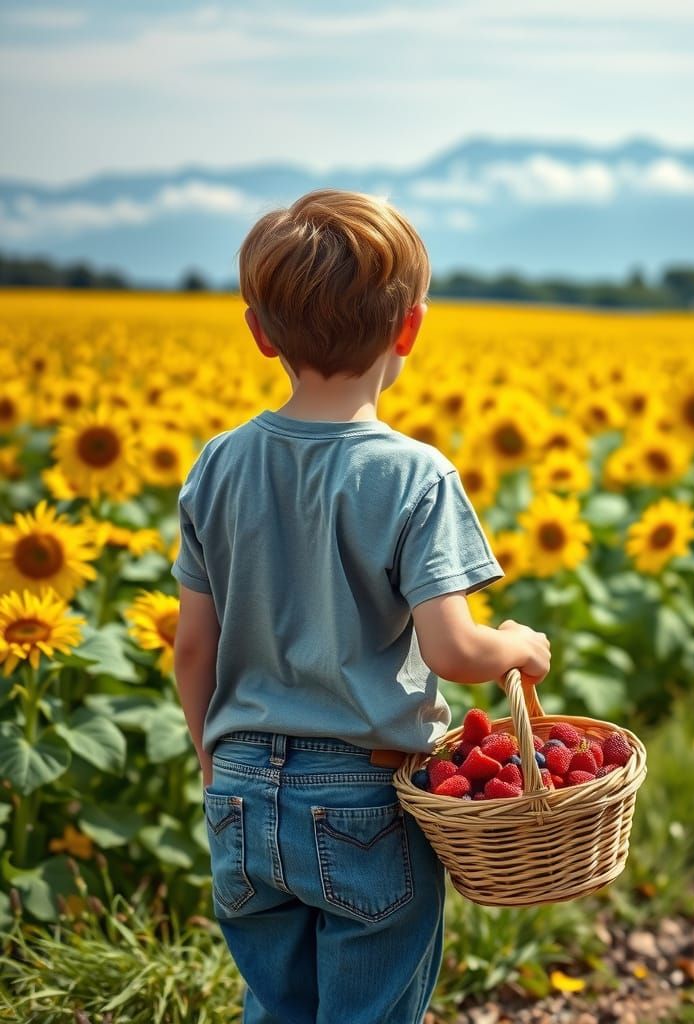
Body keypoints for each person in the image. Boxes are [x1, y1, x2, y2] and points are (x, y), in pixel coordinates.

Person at [171, 188, 551, 1024]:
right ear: (409, 328)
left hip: (236, 789)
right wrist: (515, 644)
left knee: (276, 1007)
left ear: (261, 333)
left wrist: (214, 759)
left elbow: (193, 649)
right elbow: (453, 649)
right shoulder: (414, 476)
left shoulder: (217, 464)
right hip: (364, 798)